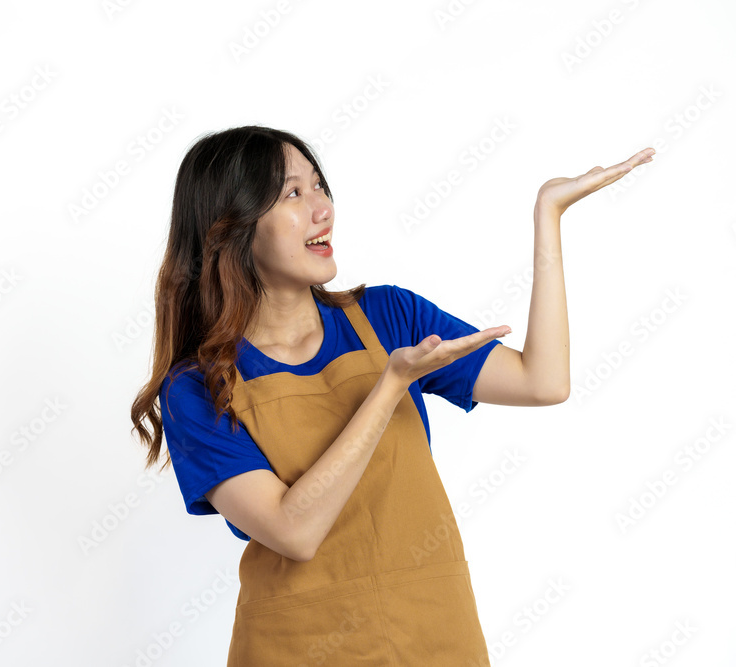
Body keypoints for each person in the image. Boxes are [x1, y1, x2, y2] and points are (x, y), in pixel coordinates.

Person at [130, 125, 654, 665]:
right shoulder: (198, 388)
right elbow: (294, 530)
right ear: (232, 227)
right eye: (293, 193)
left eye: (319, 186)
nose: (322, 209)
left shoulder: (388, 316)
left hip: (434, 634)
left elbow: (543, 382)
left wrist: (549, 216)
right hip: (299, 649)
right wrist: (390, 386)